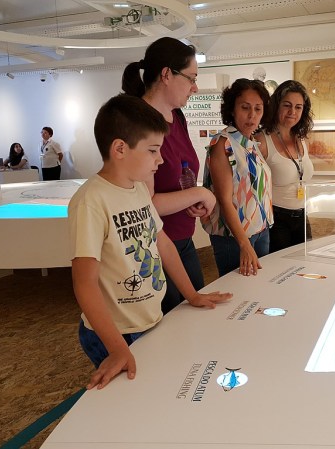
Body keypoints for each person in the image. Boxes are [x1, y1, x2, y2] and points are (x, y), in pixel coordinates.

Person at [68, 94, 232, 390]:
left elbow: (162, 243)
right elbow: (84, 283)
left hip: (150, 319)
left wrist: (192, 295)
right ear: (120, 148)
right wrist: (117, 348)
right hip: (116, 332)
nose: (161, 159)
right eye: (153, 150)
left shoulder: (139, 190)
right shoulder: (91, 201)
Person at [122, 37, 217, 314]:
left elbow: (180, 175)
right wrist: (199, 193)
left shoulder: (178, 117)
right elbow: (146, 203)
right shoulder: (138, 123)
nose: (195, 87)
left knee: (196, 312)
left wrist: (191, 200)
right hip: (156, 245)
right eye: (191, 78)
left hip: (182, 239)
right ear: (166, 75)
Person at [202, 79, 273, 277]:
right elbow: (225, 200)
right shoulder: (223, 143)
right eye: (245, 107)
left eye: (258, 109)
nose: (252, 115)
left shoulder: (252, 142)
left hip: (260, 229)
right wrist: (244, 244)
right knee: (237, 289)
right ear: (232, 109)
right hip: (234, 237)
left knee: (259, 286)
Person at [256, 80, 314, 253]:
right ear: (276, 106)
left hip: (302, 215)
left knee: (305, 264)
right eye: (287, 105)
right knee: (279, 267)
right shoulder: (261, 140)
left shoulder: (301, 139)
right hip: (276, 219)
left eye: (298, 107)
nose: (292, 112)